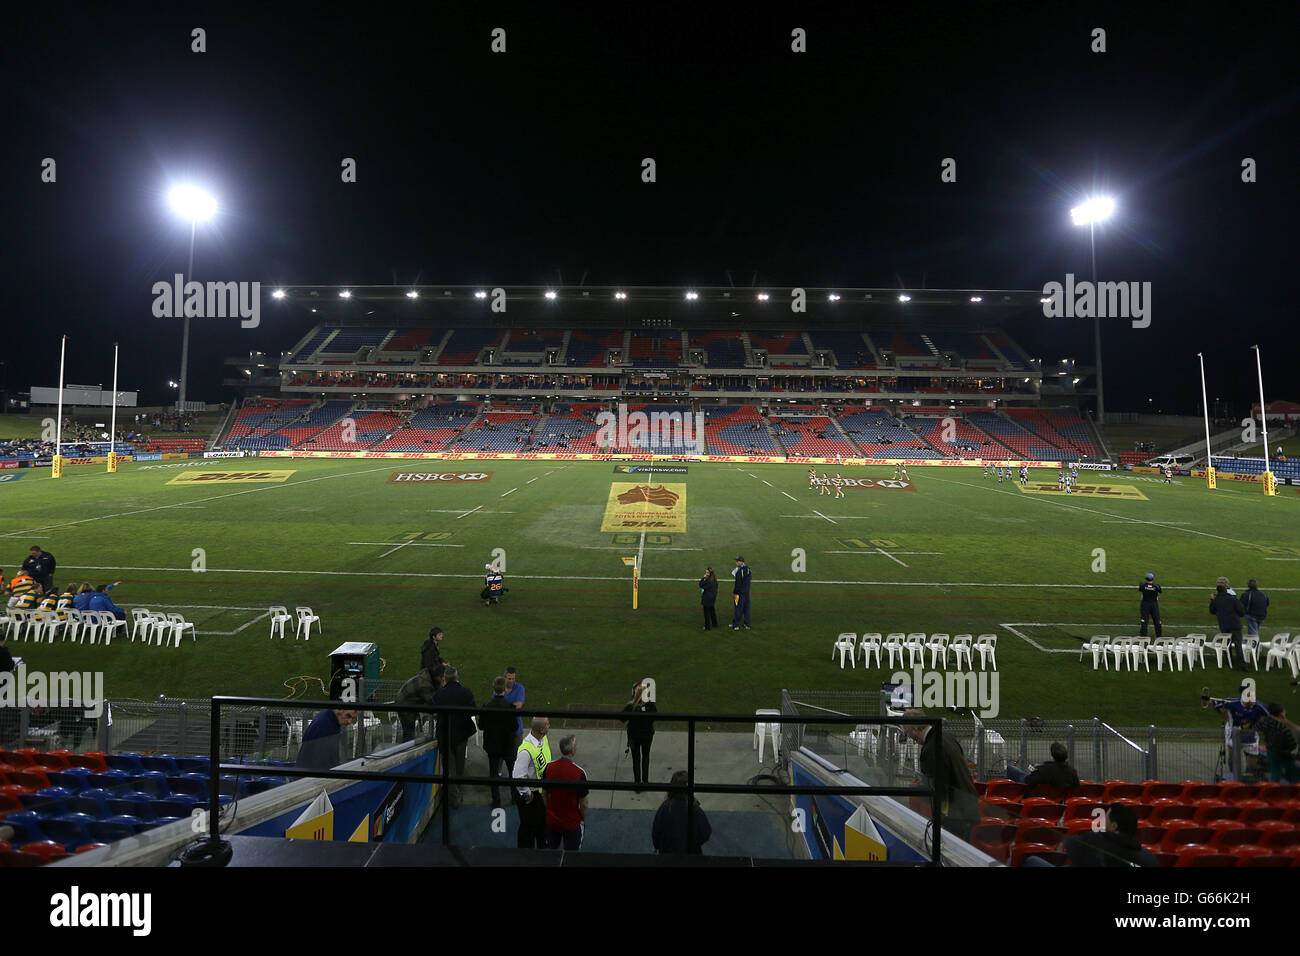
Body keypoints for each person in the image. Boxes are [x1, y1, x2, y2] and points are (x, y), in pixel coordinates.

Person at [903, 710, 980, 840]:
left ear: (915, 729)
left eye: (907, 732)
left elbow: (939, 791)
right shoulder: (945, 736)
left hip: (956, 814)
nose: (909, 736)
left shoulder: (931, 748)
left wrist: (916, 790)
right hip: (967, 807)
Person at [432, 665, 476, 808]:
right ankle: (458, 791)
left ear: (445, 679)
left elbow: (431, 710)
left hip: (445, 735)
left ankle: (453, 797)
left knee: (449, 767)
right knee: (459, 765)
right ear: (457, 678)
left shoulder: (439, 694)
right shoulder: (466, 693)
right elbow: (472, 711)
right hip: (461, 734)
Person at [1063, 804, 1159, 867]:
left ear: (1114, 826)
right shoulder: (1149, 857)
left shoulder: (1096, 842)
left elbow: (1070, 844)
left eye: (1105, 819)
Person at [1212, 683, 1269, 781]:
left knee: (1252, 764)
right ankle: (1235, 776)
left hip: (1251, 735)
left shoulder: (1259, 706)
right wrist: (1225, 717)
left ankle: (1248, 777)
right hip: (1233, 734)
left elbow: (1271, 716)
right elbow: (1214, 703)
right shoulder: (1232, 702)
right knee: (1233, 756)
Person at [541, 734, 589, 851]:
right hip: (571, 823)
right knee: (572, 856)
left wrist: (550, 810)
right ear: (573, 750)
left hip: (552, 821)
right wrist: (583, 819)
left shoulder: (549, 768)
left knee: (551, 854)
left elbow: (544, 795)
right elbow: (584, 804)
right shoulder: (579, 773)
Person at [512, 716, 552, 849]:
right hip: (530, 796)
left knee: (541, 825)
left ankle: (542, 850)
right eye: (547, 724)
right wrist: (527, 793)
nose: (549, 726)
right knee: (528, 827)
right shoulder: (525, 751)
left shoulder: (542, 739)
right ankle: (525, 856)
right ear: (541, 729)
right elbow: (517, 776)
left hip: (539, 793)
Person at [652, 769, 713, 854]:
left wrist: (661, 846)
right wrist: (695, 843)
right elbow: (706, 832)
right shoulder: (694, 809)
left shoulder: (664, 808)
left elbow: (656, 835)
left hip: (667, 857)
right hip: (691, 856)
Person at [480, 676, 518, 808]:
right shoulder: (510, 707)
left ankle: (496, 801)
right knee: (512, 771)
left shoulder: (486, 706)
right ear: (504, 689)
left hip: (492, 745)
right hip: (507, 744)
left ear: (493, 688)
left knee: (493, 772)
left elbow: (481, 726)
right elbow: (515, 727)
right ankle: (514, 797)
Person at [1005, 742, 1080, 797]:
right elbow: (1076, 786)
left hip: (1032, 788)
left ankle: (1010, 797)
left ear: (1052, 755)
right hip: (1056, 798)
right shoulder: (1072, 771)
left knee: (1011, 769)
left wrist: (1035, 770)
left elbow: (1029, 782)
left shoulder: (1046, 769)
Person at [620, 681, 657, 791]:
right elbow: (654, 717)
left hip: (634, 736)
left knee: (636, 758)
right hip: (647, 735)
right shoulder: (650, 705)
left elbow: (621, 718)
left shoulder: (631, 706)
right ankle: (645, 782)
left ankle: (637, 784)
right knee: (645, 757)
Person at [393, 666, 441, 742]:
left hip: (405, 703)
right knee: (409, 731)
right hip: (404, 706)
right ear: (437, 677)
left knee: (409, 730)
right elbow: (431, 703)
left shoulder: (427, 678)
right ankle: (407, 750)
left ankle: (407, 746)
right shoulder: (425, 685)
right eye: (441, 678)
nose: (442, 680)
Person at [1209, 578, 1248, 670]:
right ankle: (1242, 665)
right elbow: (1242, 612)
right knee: (1238, 645)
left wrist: (1212, 600)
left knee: (1226, 645)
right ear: (1226, 589)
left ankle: (1229, 662)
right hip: (1235, 625)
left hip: (1224, 625)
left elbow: (1212, 611)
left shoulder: (1216, 600)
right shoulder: (1232, 599)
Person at [1256, 703, 1300, 783]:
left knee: (1275, 772)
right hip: (1285, 754)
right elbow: (1292, 745)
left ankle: (1273, 790)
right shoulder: (1283, 729)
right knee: (1295, 773)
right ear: (1281, 714)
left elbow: (1257, 728)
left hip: (1271, 751)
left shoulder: (1265, 721)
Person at [503, 666, 526, 751]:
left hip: (516, 729)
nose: (511, 681)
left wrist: (503, 707)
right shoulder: (500, 688)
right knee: (501, 754)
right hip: (503, 729)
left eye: (513, 679)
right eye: (509, 679)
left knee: (517, 755)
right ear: (504, 678)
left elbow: (519, 705)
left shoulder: (520, 688)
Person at [729, 555, 752, 630]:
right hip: (747, 592)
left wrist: (734, 592)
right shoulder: (748, 569)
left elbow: (738, 583)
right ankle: (747, 624)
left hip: (739, 593)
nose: (736, 562)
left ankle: (735, 625)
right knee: (746, 608)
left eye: (737, 561)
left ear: (741, 562)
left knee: (738, 608)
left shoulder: (739, 571)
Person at [1138, 572, 1163, 638]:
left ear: (1146, 578)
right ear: (1153, 579)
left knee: (1144, 620)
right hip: (1154, 604)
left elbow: (1140, 589)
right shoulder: (1157, 586)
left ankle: (1143, 635)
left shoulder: (1142, 585)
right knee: (1157, 620)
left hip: (1145, 604)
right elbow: (1160, 591)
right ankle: (1159, 635)